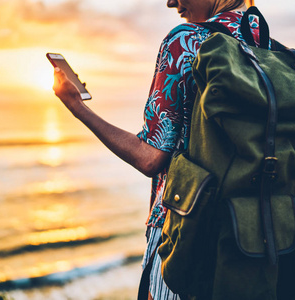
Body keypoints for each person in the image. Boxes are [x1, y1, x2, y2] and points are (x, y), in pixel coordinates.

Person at [53, 0, 264, 299]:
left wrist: (77, 108)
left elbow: (150, 157)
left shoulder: (185, 41)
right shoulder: (263, 40)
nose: (171, 2)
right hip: (250, 231)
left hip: (185, 230)